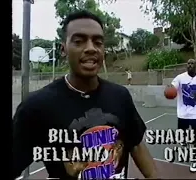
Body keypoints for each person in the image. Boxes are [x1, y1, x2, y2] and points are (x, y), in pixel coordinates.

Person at [13, 11, 158, 180]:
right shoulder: (36, 106)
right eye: (79, 41)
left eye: (98, 42)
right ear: (63, 49)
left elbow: (136, 144)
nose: (90, 48)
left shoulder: (120, 96)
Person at [165, 59, 196, 173]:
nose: (190, 65)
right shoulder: (180, 78)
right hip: (183, 113)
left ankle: (195, 159)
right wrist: (169, 88)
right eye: (188, 63)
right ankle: (184, 140)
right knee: (182, 133)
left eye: (192, 63)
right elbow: (173, 86)